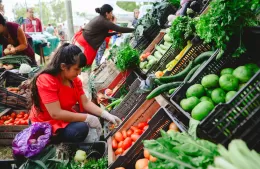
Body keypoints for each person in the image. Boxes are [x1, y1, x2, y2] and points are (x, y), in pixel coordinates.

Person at [29, 43, 121, 143]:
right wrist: (88, 118)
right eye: (76, 69)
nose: (79, 72)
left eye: (80, 69)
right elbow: (55, 113)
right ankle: (53, 142)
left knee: (89, 116)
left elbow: (85, 103)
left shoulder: (74, 81)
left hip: (63, 119)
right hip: (46, 123)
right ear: (63, 66)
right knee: (81, 129)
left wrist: (105, 114)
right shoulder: (46, 80)